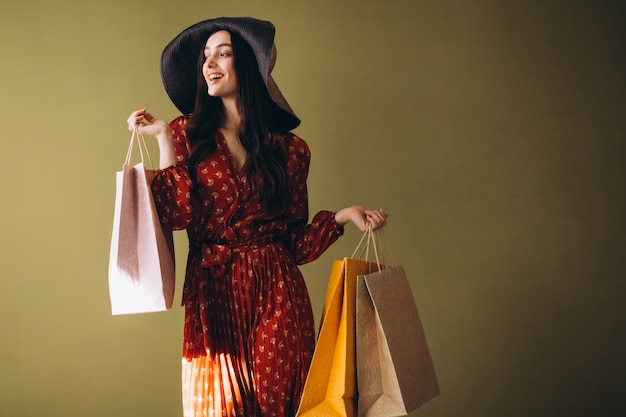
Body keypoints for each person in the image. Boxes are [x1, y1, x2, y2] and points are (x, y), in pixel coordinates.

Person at [127, 17, 388, 417]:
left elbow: (294, 244)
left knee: (283, 405)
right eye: (206, 56)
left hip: (277, 292)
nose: (210, 63)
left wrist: (341, 217)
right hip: (213, 293)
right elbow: (175, 215)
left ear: (248, 66)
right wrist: (163, 139)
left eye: (223, 53)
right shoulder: (184, 134)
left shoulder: (290, 151)